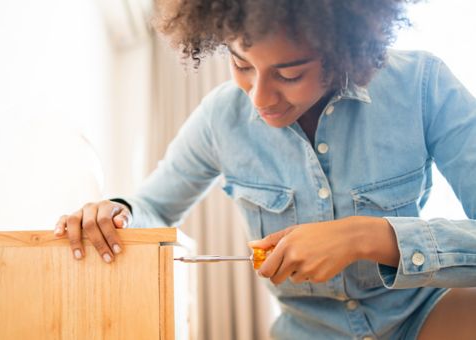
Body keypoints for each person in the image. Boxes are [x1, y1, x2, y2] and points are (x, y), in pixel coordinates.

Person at [54, 0, 476, 338]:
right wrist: (117, 212)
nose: (259, 98)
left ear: (344, 49)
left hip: (428, 320)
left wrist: (367, 237)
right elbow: (152, 207)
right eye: (241, 65)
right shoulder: (221, 117)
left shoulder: (422, 85)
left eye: (289, 74)